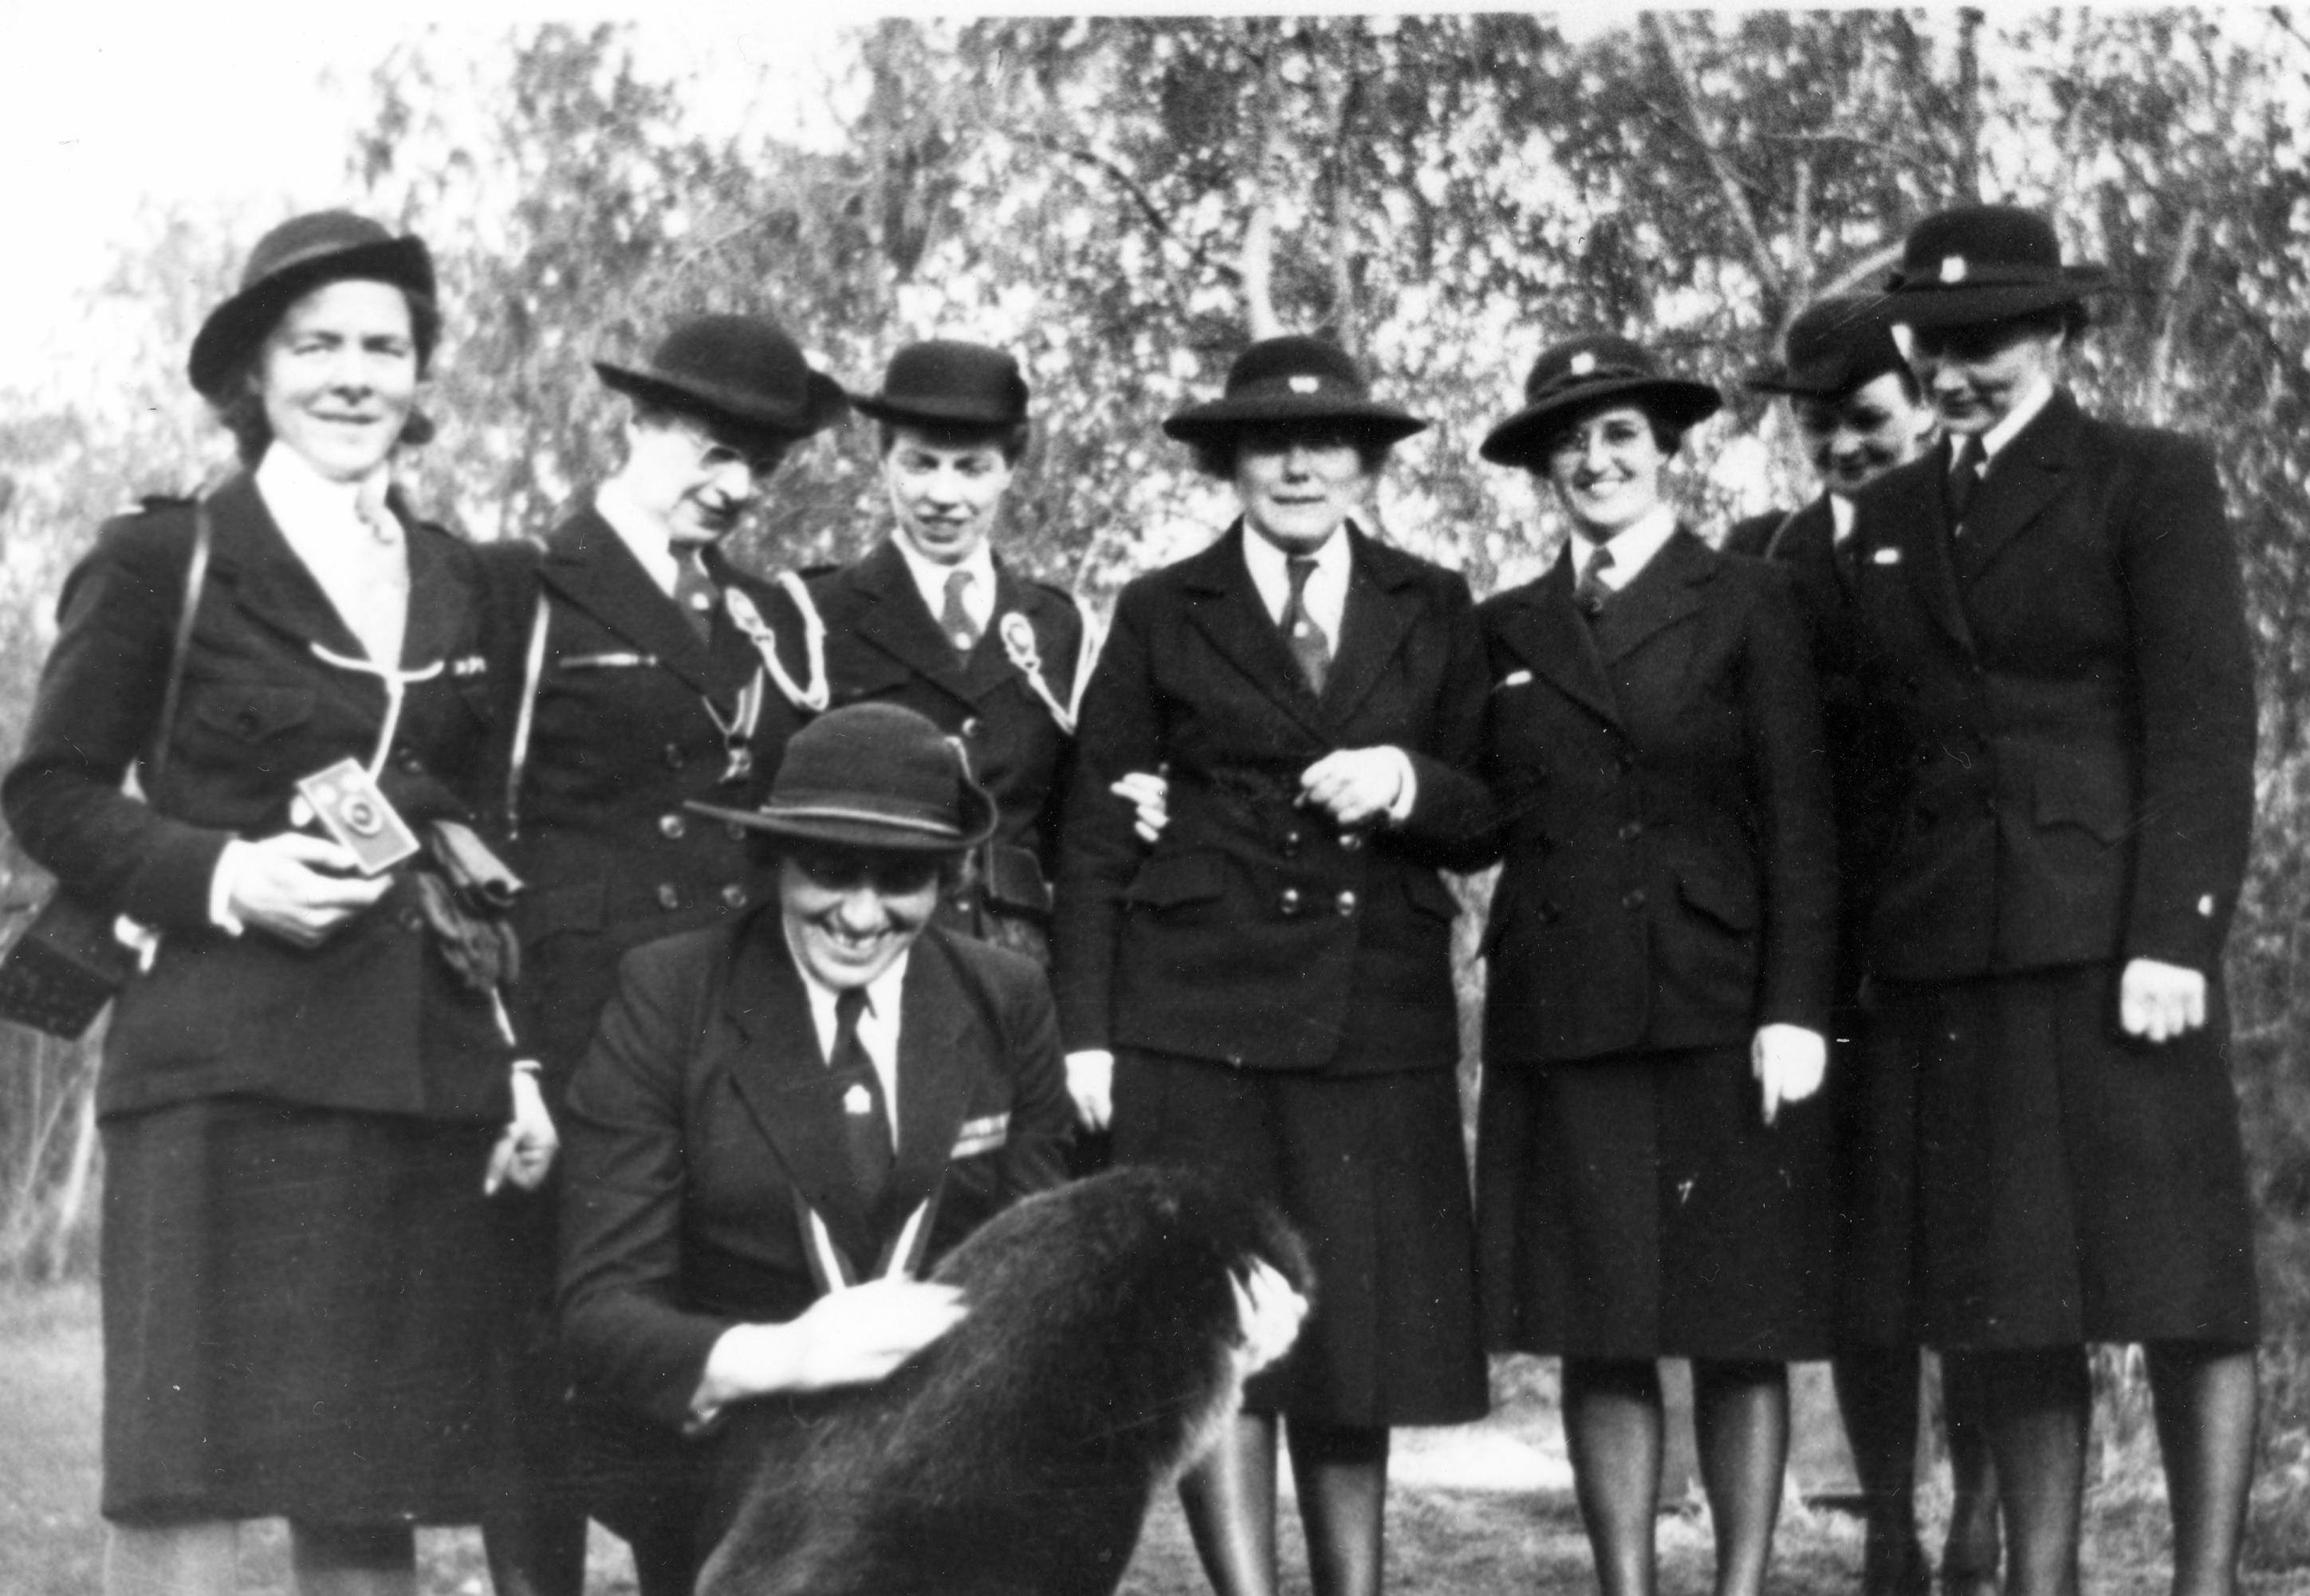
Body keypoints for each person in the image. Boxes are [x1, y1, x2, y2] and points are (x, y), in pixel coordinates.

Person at [2, 210, 551, 1596]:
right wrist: (225, 875)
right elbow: (53, 790)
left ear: (423, 378)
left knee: (365, 1484)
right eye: (317, 345)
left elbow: (460, 841)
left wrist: (516, 1061)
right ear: (255, 373)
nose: (353, 374)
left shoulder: (457, 579)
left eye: (386, 345)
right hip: (216, 1075)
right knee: (183, 1472)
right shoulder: (163, 560)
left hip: (407, 1086)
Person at [1844, 204, 2260, 1596]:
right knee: (2008, 1296)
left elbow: (2203, 720)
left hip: (2112, 950)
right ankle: (2046, 1579)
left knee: (2182, 1287)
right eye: (1935, 345)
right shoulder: (1888, 514)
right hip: (1954, 957)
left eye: (1990, 340)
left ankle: (2203, 1582)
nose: (1958, 370)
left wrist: (2172, 931)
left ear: (2059, 333)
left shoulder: (2145, 478)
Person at [1053, 335, 1492, 1596]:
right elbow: (1094, 830)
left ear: (1364, 463)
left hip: (1373, 1019)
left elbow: (1488, 806)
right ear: (1228, 464)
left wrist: (1405, 779)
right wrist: (1091, 1034)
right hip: (1195, 1015)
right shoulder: (1159, 607)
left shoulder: (1433, 601)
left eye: (1325, 441)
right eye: (1267, 443)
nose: (1298, 463)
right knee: (1222, 1330)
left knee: (1353, 1337)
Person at [486, 313, 847, 1596]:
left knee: (692, 1358)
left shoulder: (762, 615)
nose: (737, 484)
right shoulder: (529, 584)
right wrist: (510, 1051)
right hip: (575, 1026)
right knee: (545, 1361)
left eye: (760, 462)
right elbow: (482, 830)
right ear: (636, 425)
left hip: (716, 1032)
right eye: (712, 449)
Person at [1470, 333, 1838, 1596]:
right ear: (1541, 471)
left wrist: (1794, 1009)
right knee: (1598, 1324)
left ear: (1665, 449)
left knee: (1740, 1323)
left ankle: (1736, 1583)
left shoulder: (1748, 600)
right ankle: (1626, 1583)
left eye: (1619, 432)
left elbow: (1801, 818)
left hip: (1716, 1005)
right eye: (1568, 440)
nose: (1594, 458)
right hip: (1563, 1015)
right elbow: (1466, 807)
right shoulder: (1503, 626)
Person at [557, 701, 1073, 1596]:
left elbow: (1037, 1277)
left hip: (944, 1422)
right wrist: (787, 1355)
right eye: (830, 870)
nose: (862, 916)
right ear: (773, 860)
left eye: (903, 879)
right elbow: (602, 1311)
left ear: (947, 881)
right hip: (738, 1440)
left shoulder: (1008, 995)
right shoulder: (670, 993)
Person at [1730, 297, 2001, 1596]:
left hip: (1972, 938)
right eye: (1819, 425)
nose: (1845, 446)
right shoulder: (1759, 558)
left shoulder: (1985, 536)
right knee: (1858, 1256)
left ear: (1918, 403)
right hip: (1823, 967)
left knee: (1984, 1237)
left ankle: (1983, 1511)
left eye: (1869, 419)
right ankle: (1889, 1519)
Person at [806, 340, 1084, 967]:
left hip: (1014, 966)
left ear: (1010, 469)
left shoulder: (1060, 630)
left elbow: (1075, 835)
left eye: (971, 468)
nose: (942, 494)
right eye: (920, 463)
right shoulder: (815, 613)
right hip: (862, 949)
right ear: (882, 461)